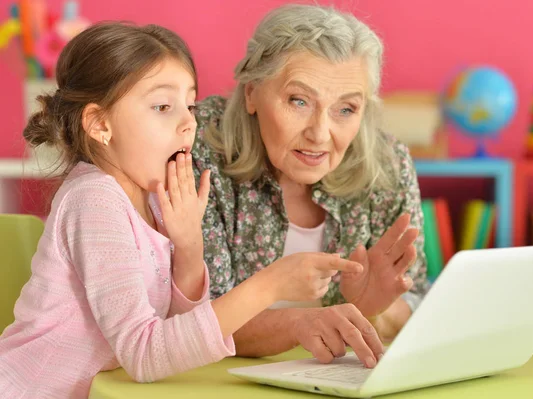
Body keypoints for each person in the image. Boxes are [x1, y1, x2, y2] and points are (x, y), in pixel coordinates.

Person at [0, 22, 363, 399]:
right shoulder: (95, 200)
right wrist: (270, 285)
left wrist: (189, 247)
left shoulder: (154, 199)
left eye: (190, 105)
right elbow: (145, 352)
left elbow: (180, 333)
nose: (189, 121)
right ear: (100, 123)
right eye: (162, 106)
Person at [192, 4, 430, 370]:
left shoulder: (387, 164)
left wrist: (371, 310)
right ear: (252, 92)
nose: (320, 134)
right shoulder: (198, 147)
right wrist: (308, 322)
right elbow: (194, 320)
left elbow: (412, 299)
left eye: (346, 109)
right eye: (298, 101)